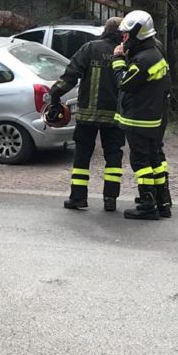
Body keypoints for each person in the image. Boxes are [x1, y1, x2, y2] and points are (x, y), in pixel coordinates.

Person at [47, 17, 125, 212]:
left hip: (87, 117)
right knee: (113, 158)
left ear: (105, 30)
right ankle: (110, 199)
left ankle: (78, 197)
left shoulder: (90, 48)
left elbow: (70, 76)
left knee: (82, 157)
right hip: (115, 117)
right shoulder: (125, 52)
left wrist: (54, 94)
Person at [111, 10, 172, 220]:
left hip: (140, 120)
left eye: (126, 35)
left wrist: (117, 59)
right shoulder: (155, 52)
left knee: (140, 161)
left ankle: (147, 204)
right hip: (153, 118)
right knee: (156, 158)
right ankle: (162, 200)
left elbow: (123, 83)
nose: (123, 38)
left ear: (137, 33)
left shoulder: (144, 59)